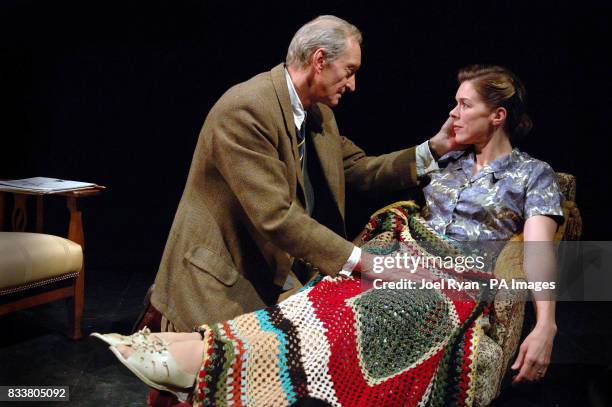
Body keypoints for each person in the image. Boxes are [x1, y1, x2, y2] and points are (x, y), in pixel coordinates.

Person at [93, 64, 565, 406]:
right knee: (324, 297)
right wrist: (434, 151)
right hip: (403, 247)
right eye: (455, 103)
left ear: (498, 115)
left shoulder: (532, 174)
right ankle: (203, 347)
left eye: (464, 105)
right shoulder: (449, 160)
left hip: (455, 270)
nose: (453, 113)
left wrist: (546, 325)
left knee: (375, 308)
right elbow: (365, 175)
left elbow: (543, 251)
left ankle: (203, 359)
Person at [148, 14, 455, 334]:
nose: (352, 85)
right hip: (224, 279)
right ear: (319, 60)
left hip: (278, 269)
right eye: (349, 71)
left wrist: (436, 147)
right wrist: (365, 263)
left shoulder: (318, 113)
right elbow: (276, 216)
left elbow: (360, 169)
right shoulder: (246, 109)